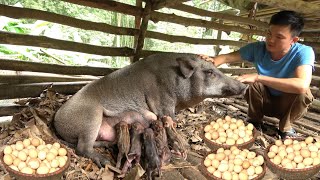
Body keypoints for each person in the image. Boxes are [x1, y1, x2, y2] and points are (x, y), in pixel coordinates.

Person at [212, 10, 315, 139]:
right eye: (269, 33)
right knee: (255, 84)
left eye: (279, 37)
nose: (271, 40)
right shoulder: (258, 48)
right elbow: (226, 58)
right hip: (263, 102)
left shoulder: (303, 52)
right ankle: (254, 120)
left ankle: (285, 128)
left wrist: (258, 77)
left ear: (293, 40)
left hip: (286, 106)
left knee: (303, 92)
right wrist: (211, 61)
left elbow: (302, 85)